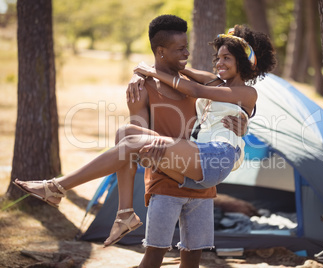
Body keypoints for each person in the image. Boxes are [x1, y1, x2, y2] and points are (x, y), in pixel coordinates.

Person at [14, 15, 276, 267]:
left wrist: (149, 70)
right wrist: (141, 73)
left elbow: (194, 89)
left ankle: (57, 187)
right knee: (126, 134)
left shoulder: (246, 92)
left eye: (227, 58)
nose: (219, 63)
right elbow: (186, 73)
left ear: (243, 62)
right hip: (197, 157)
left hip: (215, 157)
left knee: (130, 144)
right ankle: (125, 213)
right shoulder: (216, 82)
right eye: (217, 57)